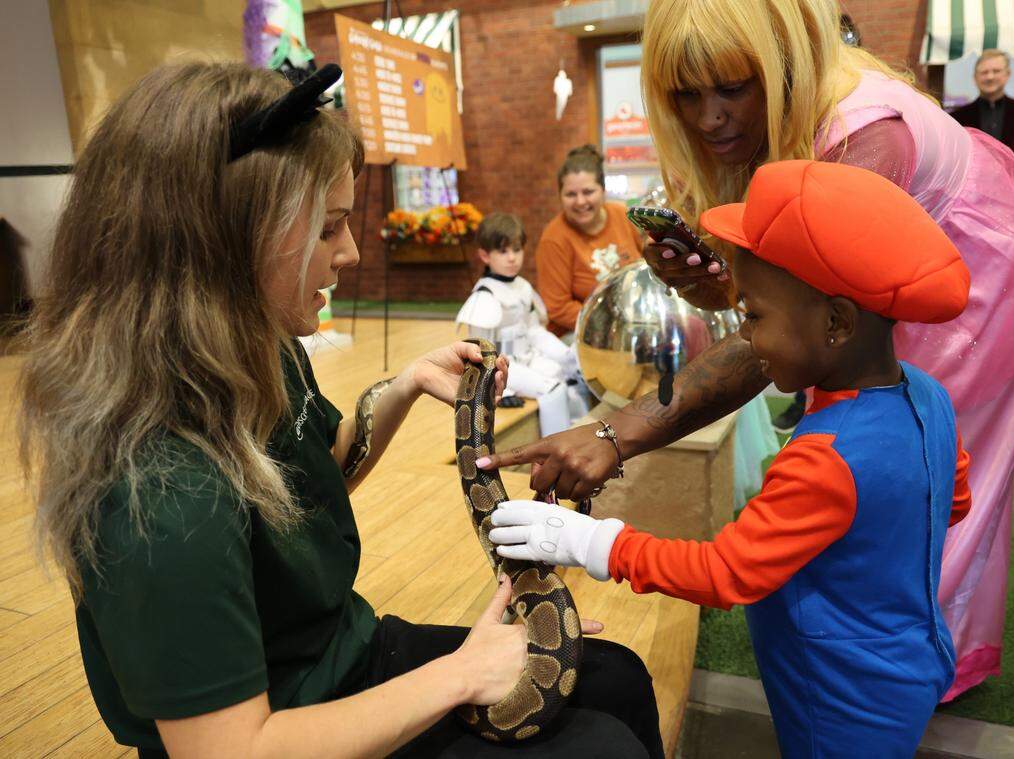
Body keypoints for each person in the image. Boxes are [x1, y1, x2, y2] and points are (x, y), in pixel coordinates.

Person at [17, 62, 664, 759]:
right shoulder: (160, 490)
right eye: (329, 229)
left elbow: (315, 478)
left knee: (618, 678)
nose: (351, 253)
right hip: (282, 724)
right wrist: (460, 673)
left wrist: (408, 382)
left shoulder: (255, 348)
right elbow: (231, 749)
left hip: (339, 655)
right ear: (223, 240)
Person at [478, 0, 1014, 701]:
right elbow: (795, 324)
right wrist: (730, 289)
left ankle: (885, 664)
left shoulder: (861, 142)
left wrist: (609, 461)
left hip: (983, 271)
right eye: (687, 95)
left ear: (782, 65)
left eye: (733, 87)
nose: (708, 120)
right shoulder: (899, 400)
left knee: (888, 490)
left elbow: (731, 563)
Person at [486, 160, 974, 757]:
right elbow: (952, 502)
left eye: (754, 317)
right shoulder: (929, 396)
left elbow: (727, 574)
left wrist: (589, 541)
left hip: (841, 694)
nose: (746, 339)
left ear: (836, 323)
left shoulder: (827, 456)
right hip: (912, 658)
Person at [456, 212, 584, 435]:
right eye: (503, 251)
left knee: (571, 376)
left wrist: (565, 355)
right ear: (485, 256)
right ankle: (554, 451)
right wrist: (501, 390)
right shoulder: (484, 296)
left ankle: (583, 438)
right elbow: (478, 352)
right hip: (504, 367)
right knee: (552, 389)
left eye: (517, 249)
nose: (512, 258)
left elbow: (534, 331)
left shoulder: (523, 287)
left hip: (528, 357)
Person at [535, 145, 643, 337]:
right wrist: (615, 322)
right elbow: (558, 308)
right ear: (560, 196)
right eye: (570, 194)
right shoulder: (553, 238)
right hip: (578, 332)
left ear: (603, 190)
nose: (580, 201)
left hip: (632, 321)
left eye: (588, 192)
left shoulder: (622, 216)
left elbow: (646, 264)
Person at [951, 50, 1014, 180]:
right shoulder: (958, 117)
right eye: (984, 72)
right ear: (975, 78)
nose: (990, 77)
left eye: (996, 71)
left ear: (1007, 74)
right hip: (973, 191)